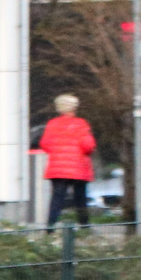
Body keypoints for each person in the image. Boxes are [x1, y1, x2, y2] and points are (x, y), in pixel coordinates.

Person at [36, 94, 97, 228]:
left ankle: (50, 227)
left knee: (57, 199)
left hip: (57, 169)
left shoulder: (52, 124)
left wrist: (58, 152)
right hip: (78, 168)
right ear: (74, 108)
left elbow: (45, 143)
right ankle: (84, 227)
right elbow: (88, 146)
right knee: (80, 199)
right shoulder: (81, 124)